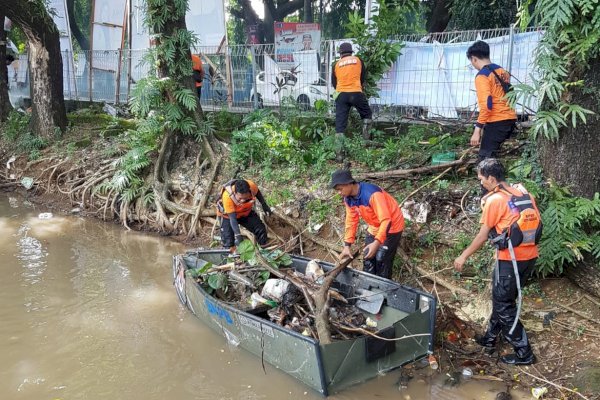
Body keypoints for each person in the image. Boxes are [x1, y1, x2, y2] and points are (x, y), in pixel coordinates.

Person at [454, 158, 540, 366]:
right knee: (502, 300)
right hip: (528, 257)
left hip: (510, 261)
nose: (480, 182)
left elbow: (483, 235)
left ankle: (524, 353)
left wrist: (464, 255)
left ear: (492, 178)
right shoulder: (523, 192)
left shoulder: (495, 200)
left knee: (504, 306)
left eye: (481, 178)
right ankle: (490, 338)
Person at [330, 169, 404, 279]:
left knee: (382, 260)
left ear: (349, 183)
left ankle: (383, 288)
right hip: (374, 226)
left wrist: (377, 242)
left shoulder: (372, 194)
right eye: (337, 190)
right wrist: (347, 246)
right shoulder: (348, 199)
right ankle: (367, 286)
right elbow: (351, 221)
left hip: (392, 226)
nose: (339, 193)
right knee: (368, 257)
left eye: (340, 189)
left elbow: (386, 220)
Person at [466, 40, 517, 165]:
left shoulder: (482, 76)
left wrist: (477, 130)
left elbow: (486, 105)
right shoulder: (502, 71)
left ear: (474, 59)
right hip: (510, 119)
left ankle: (491, 184)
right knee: (494, 158)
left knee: (485, 162)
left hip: (497, 121)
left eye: (471, 61)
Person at [331, 42, 373, 148]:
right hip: (356, 93)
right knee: (367, 114)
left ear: (340, 53)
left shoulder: (336, 64)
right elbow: (362, 77)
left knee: (340, 125)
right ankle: (366, 144)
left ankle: (339, 154)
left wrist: (341, 90)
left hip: (341, 94)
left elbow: (334, 82)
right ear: (351, 52)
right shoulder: (358, 60)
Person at [216, 179, 272, 253]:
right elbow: (233, 219)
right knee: (228, 242)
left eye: (245, 198)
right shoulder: (227, 196)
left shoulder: (252, 186)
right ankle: (231, 257)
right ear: (234, 193)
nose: (242, 200)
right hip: (228, 216)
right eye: (240, 198)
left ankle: (262, 251)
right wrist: (239, 237)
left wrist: (264, 205)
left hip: (245, 213)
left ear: (249, 192)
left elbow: (257, 193)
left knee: (260, 229)